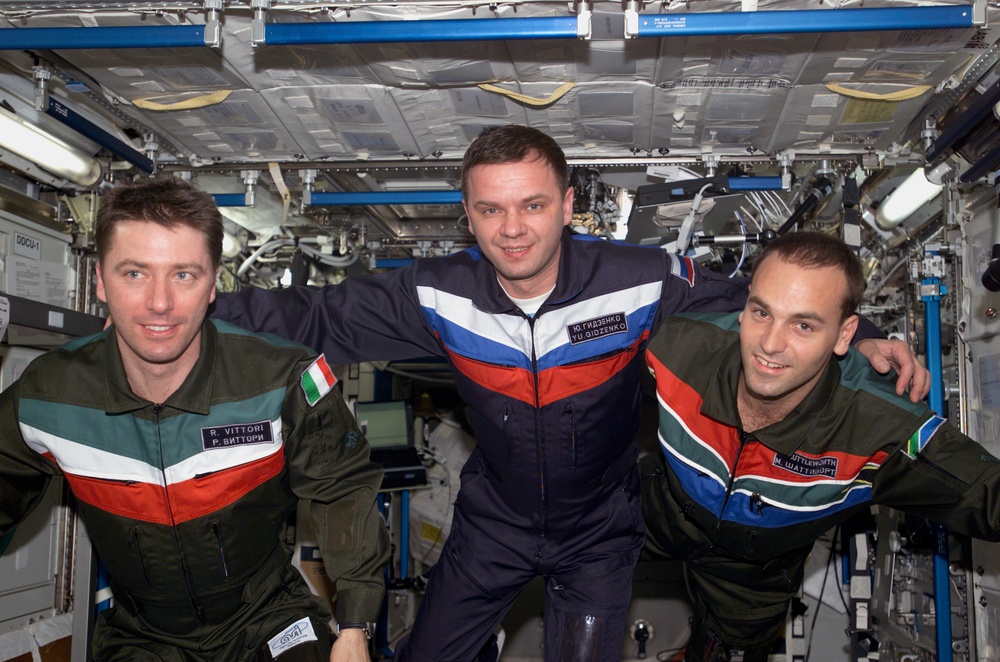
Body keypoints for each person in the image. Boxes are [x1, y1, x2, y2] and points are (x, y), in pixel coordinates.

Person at [211, 125, 929, 661]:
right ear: (467, 214)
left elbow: (758, 307)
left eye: (531, 205)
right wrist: (191, 316)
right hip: (494, 523)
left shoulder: (640, 279)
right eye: (490, 210)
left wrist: (859, 346)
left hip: (599, 531)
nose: (512, 229)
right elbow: (314, 316)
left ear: (566, 203)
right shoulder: (437, 294)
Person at [0, 178, 389, 662]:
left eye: (183, 275)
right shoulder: (49, 398)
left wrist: (354, 626)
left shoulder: (282, 381)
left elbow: (343, 489)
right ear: (100, 280)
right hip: (144, 638)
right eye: (135, 274)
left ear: (211, 286)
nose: (159, 303)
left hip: (267, 620)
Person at [639, 231, 1000, 662]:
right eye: (761, 313)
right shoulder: (677, 348)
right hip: (655, 515)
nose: (770, 345)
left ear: (845, 334)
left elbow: (987, 495)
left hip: (754, 572)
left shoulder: (875, 424)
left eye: (803, 325)